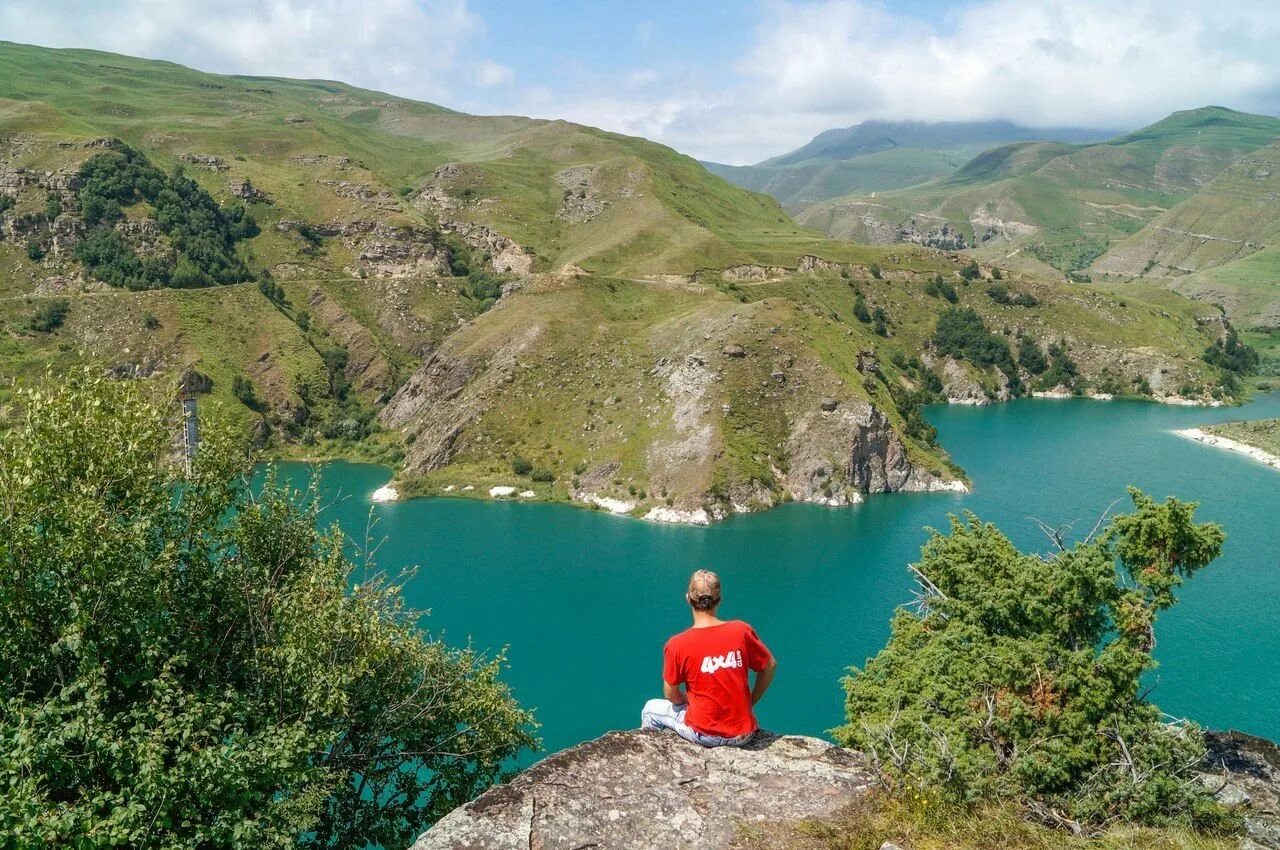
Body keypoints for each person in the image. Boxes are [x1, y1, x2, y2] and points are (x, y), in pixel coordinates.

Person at [640, 569, 776, 747]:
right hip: (745, 733)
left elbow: (671, 694)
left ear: (688, 598)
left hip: (706, 734)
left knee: (650, 709)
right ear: (719, 599)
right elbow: (770, 665)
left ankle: (653, 753)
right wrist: (749, 702)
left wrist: (693, 700)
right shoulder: (741, 630)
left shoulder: (677, 644)